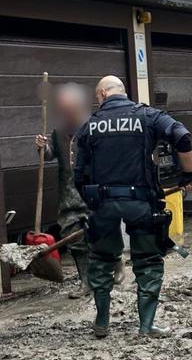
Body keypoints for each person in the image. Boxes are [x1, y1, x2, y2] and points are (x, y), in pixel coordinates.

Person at [74, 75, 192, 338]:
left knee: (102, 260)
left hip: (103, 203)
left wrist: (92, 204)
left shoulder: (89, 126)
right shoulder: (149, 116)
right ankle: (147, 325)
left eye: (97, 97)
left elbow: (79, 176)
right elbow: (182, 137)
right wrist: (188, 175)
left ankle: (102, 322)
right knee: (148, 261)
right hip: (142, 202)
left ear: (103, 95)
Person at [35, 84, 125, 299]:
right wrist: (42, 148)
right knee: (74, 239)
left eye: (70, 109)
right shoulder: (58, 132)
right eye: (63, 110)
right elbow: (50, 155)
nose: (67, 114)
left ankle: (117, 261)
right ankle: (86, 282)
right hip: (68, 194)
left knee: (101, 233)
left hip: (93, 189)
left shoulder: (95, 126)